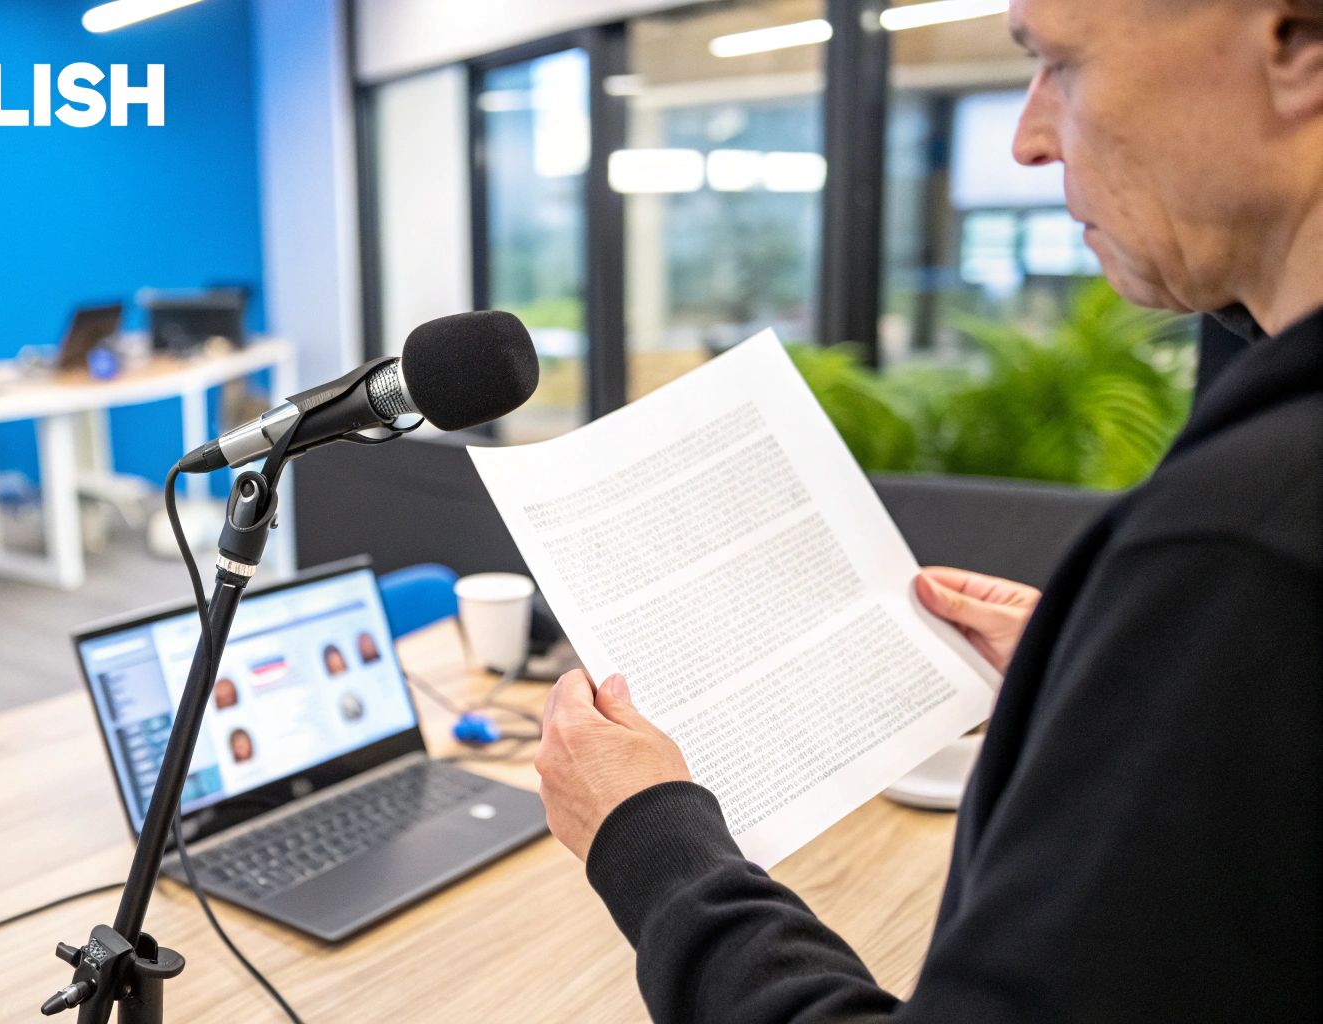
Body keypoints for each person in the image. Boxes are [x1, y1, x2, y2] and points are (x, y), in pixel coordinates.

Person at [536, 1, 1323, 1020]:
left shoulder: (1247, 539)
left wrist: (647, 837)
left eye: (1060, 66)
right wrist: (1099, 669)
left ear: (1295, 42)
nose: (1028, 137)